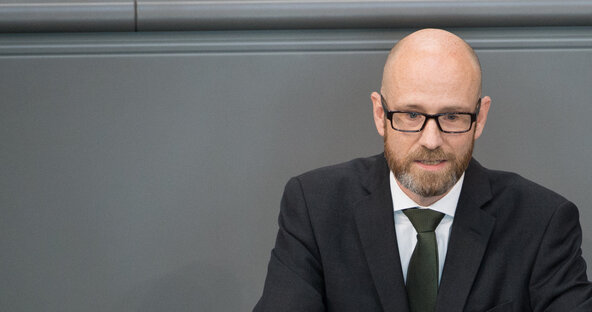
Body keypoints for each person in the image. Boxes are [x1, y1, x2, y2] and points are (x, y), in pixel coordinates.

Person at [254, 29, 592, 312]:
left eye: (452, 117)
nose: (431, 140)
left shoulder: (543, 222)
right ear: (379, 113)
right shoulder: (315, 206)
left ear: (480, 117)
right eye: (412, 115)